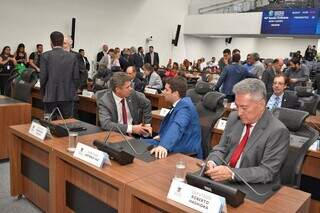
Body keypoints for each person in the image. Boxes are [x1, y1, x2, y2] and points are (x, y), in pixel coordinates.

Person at [205, 78, 289, 184]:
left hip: (252, 185)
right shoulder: (234, 117)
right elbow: (221, 148)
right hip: (223, 179)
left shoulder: (277, 131)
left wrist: (232, 173)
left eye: (244, 108)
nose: (239, 113)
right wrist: (212, 162)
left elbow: (267, 171)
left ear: (261, 105)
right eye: (237, 106)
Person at [146, 76, 203, 159]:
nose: (163, 92)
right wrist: (162, 136)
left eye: (166, 90)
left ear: (176, 93)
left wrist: (164, 145)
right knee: (138, 144)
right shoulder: (180, 103)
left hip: (184, 149)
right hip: (176, 142)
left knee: (141, 149)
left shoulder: (185, 107)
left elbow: (178, 126)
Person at [98, 72, 152, 136]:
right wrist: (131, 128)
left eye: (130, 86)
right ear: (117, 89)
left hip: (135, 135)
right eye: (127, 87)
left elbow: (147, 103)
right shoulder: (105, 101)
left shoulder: (132, 93)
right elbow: (106, 124)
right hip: (115, 135)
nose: (131, 89)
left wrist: (147, 125)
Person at [40, 31, 79, 118]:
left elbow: (43, 78)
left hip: (50, 96)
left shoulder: (45, 56)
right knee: (67, 123)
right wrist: (73, 90)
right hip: (68, 95)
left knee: (49, 122)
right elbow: (76, 78)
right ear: (62, 42)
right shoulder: (72, 57)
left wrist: (43, 93)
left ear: (51, 42)